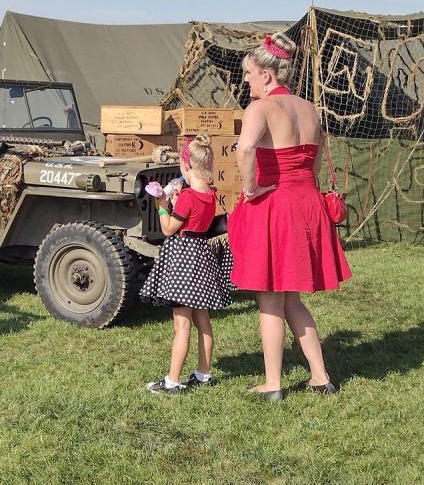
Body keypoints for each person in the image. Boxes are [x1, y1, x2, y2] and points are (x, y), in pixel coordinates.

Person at [229, 33, 352, 402]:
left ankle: (273, 383)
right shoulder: (309, 109)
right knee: (292, 298)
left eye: (249, 73)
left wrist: (250, 189)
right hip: (306, 202)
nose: (246, 79)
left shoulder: (261, 108)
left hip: (276, 206)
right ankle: (319, 376)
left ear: (267, 75)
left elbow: (245, 149)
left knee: (269, 298)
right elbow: (314, 161)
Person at [141, 135, 232, 394]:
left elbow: (169, 228)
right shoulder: (209, 195)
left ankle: (172, 380)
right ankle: (203, 373)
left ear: (186, 166)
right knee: (202, 320)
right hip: (201, 257)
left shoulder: (188, 197)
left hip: (183, 260)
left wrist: (162, 205)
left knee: (181, 325)